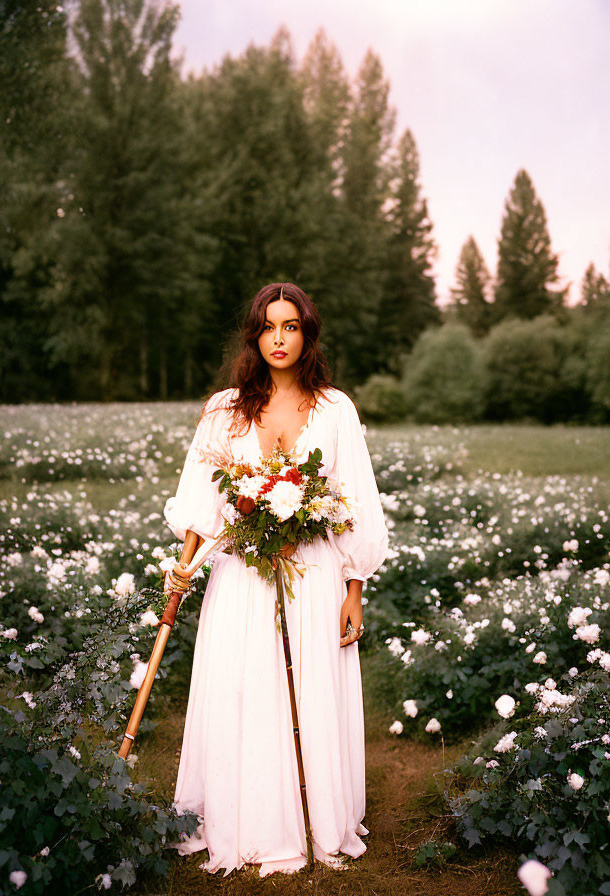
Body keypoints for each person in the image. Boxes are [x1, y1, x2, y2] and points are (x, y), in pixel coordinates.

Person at [162, 282, 390, 878]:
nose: (280, 338)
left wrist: (354, 587)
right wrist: (185, 566)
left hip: (312, 570)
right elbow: (202, 497)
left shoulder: (336, 409)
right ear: (254, 335)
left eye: (291, 327)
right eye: (269, 327)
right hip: (241, 571)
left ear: (307, 335)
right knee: (246, 687)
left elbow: (355, 501)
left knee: (310, 687)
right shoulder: (223, 410)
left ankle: (314, 813)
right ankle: (253, 817)